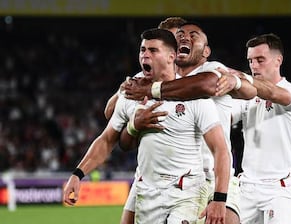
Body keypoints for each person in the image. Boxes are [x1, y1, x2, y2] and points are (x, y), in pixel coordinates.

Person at [63, 28, 231, 224]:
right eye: (142, 50)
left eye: (153, 50)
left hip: (186, 191)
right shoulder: (132, 95)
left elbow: (221, 149)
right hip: (148, 191)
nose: (145, 55)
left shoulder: (195, 98)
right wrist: (77, 174)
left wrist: (219, 199)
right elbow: (107, 139)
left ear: (171, 57)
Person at [124, 22, 257, 224]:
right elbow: (111, 112)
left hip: (214, 175)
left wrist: (236, 82)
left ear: (206, 51)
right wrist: (123, 96)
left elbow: (247, 90)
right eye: (180, 35)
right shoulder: (154, 77)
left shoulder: (212, 69)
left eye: (193, 35)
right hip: (169, 180)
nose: (185, 38)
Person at [103, 16, 187, 224]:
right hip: (149, 174)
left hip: (191, 174)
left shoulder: (198, 75)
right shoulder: (142, 77)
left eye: (180, 37)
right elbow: (109, 113)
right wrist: (124, 91)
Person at [230, 33, 291, 223]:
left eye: (260, 60)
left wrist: (241, 79)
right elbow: (225, 117)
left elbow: (273, 92)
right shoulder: (248, 95)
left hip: (280, 189)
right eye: (250, 61)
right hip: (247, 188)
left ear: (278, 60)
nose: (254, 66)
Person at [104, 17, 187, 120]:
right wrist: (121, 92)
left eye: (177, 40)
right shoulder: (142, 79)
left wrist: (150, 90)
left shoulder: (200, 74)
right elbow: (109, 113)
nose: (175, 45)